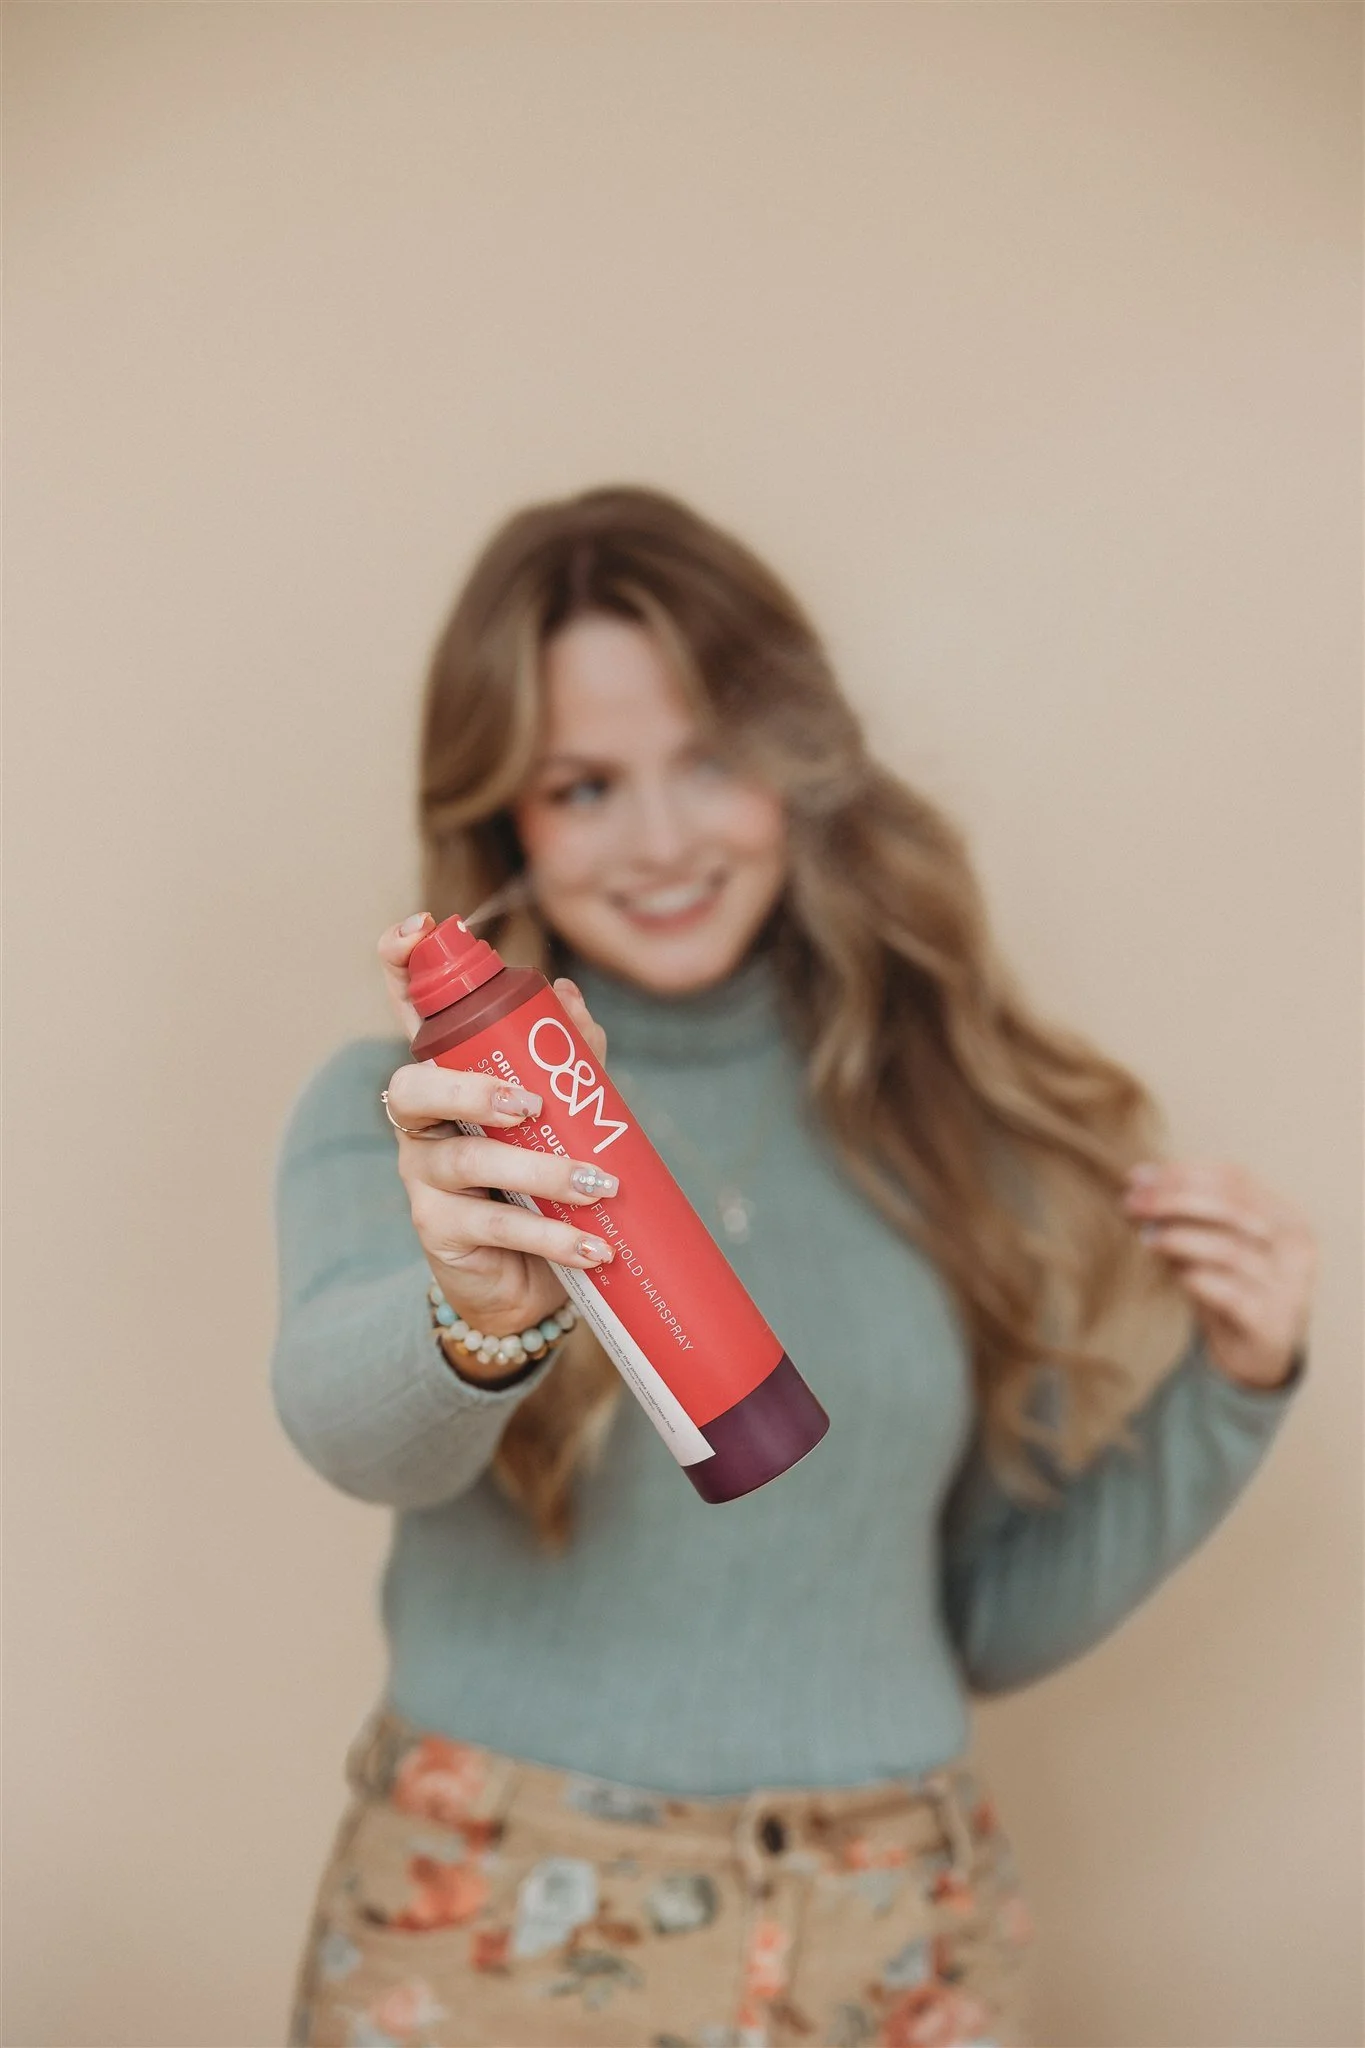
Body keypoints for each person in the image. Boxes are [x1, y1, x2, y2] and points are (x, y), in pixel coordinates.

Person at [270, 484, 1315, 2048]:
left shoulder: (958, 1123)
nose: (666, 836)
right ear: (506, 815)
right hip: (496, 1929)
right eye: (585, 786)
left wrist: (1233, 1393)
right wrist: (477, 1311)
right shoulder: (430, 1127)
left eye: (711, 759)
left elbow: (980, 1619)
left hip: (897, 1936)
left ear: (799, 757)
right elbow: (350, 1431)